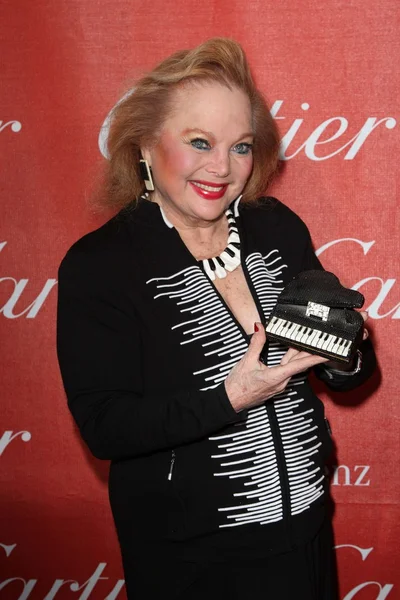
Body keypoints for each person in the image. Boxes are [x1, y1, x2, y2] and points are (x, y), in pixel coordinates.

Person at [56, 38, 376, 599]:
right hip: (192, 560)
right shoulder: (100, 265)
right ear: (145, 146)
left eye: (242, 146)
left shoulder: (275, 226)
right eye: (199, 142)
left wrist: (347, 352)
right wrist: (230, 397)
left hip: (304, 531)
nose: (222, 168)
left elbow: (341, 369)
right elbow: (106, 426)